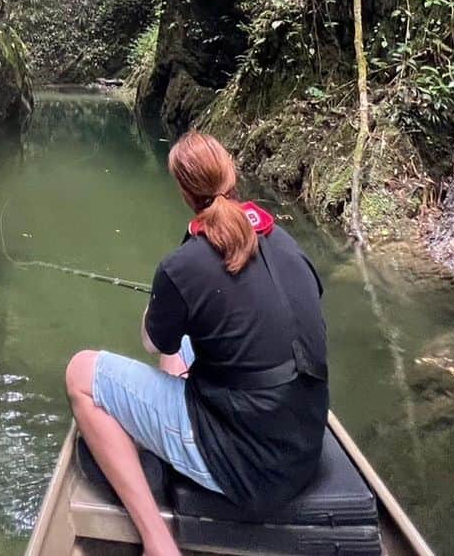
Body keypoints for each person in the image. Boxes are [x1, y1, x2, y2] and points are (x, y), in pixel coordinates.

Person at [65, 131, 328, 556]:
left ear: (185, 193)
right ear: (232, 175)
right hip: (302, 445)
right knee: (184, 342)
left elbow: (152, 340)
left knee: (80, 372)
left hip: (246, 468)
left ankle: (157, 542)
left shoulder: (182, 265)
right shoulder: (285, 242)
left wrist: (156, 309)